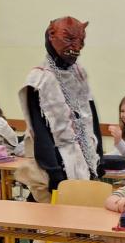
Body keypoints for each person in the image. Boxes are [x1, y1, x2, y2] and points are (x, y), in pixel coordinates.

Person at [17, 16, 103, 202]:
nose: (77, 46)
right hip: (54, 162)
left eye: (81, 40)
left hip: (85, 159)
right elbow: (39, 128)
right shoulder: (39, 79)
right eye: (69, 39)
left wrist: (99, 157)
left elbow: (90, 116)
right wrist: (53, 170)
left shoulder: (79, 74)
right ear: (51, 36)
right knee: (54, 212)